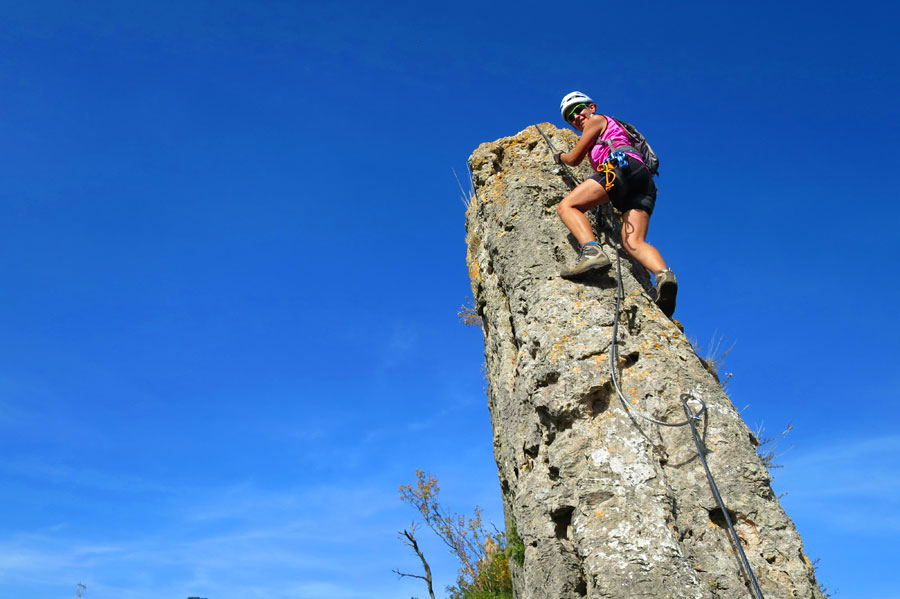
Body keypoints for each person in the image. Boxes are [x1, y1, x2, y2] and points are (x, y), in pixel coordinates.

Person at [553, 91, 678, 317]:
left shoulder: (598, 120)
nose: (576, 117)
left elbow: (574, 159)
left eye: (578, 109)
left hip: (620, 167)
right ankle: (664, 276)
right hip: (642, 182)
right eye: (570, 117)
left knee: (567, 207)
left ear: (591, 107)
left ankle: (591, 252)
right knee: (633, 243)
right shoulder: (611, 130)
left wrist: (559, 155)